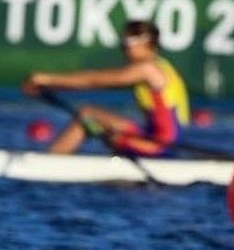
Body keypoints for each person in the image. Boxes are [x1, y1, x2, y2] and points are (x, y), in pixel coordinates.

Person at [20, 20, 190, 156]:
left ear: (146, 42)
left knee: (89, 117)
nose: (123, 47)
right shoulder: (161, 65)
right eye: (122, 41)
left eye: (128, 41)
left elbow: (93, 81)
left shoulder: (148, 69)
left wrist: (45, 79)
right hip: (152, 136)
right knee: (90, 114)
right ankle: (55, 160)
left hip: (160, 146)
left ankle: (51, 164)